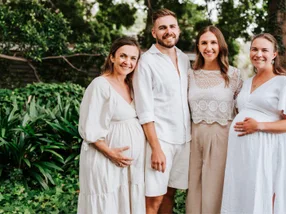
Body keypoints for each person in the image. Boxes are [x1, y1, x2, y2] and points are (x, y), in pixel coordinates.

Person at [221, 33, 286, 214]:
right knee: (243, 193)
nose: (259, 54)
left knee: (266, 192)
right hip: (241, 153)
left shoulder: (284, 83)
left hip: (267, 149)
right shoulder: (247, 82)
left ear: (274, 54)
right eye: (254, 49)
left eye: (264, 50)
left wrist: (259, 126)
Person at [77, 37, 145, 214]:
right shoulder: (100, 85)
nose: (127, 62)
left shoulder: (132, 85)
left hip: (127, 166)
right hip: (103, 159)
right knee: (106, 205)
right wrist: (111, 153)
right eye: (123, 56)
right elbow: (88, 128)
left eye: (133, 58)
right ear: (112, 57)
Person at [133, 8, 191, 214]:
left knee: (170, 194)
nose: (168, 31)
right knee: (153, 197)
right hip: (161, 140)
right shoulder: (146, 62)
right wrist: (156, 148)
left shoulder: (184, 59)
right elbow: (144, 109)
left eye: (172, 26)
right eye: (162, 28)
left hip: (184, 139)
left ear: (179, 29)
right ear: (154, 33)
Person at [186, 25, 242, 214]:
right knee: (194, 185)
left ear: (221, 46)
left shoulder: (233, 75)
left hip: (222, 137)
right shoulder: (189, 75)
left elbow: (242, 108)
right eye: (204, 43)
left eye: (213, 42)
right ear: (198, 46)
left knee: (216, 187)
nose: (208, 47)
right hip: (194, 137)